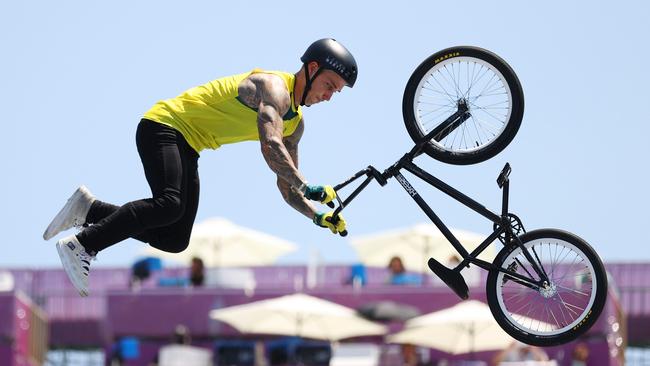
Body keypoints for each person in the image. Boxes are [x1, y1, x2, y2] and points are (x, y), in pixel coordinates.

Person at [42, 38, 357, 297]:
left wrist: (317, 215)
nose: (329, 96)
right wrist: (306, 184)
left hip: (189, 144)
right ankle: (84, 244)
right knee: (169, 203)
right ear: (312, 68)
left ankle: (89, 209)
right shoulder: (273, 88)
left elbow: (286, 187)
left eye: (336, 92)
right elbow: (270, 146)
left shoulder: (296, 125)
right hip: (164, 124)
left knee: (174, 238)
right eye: (329, 85)